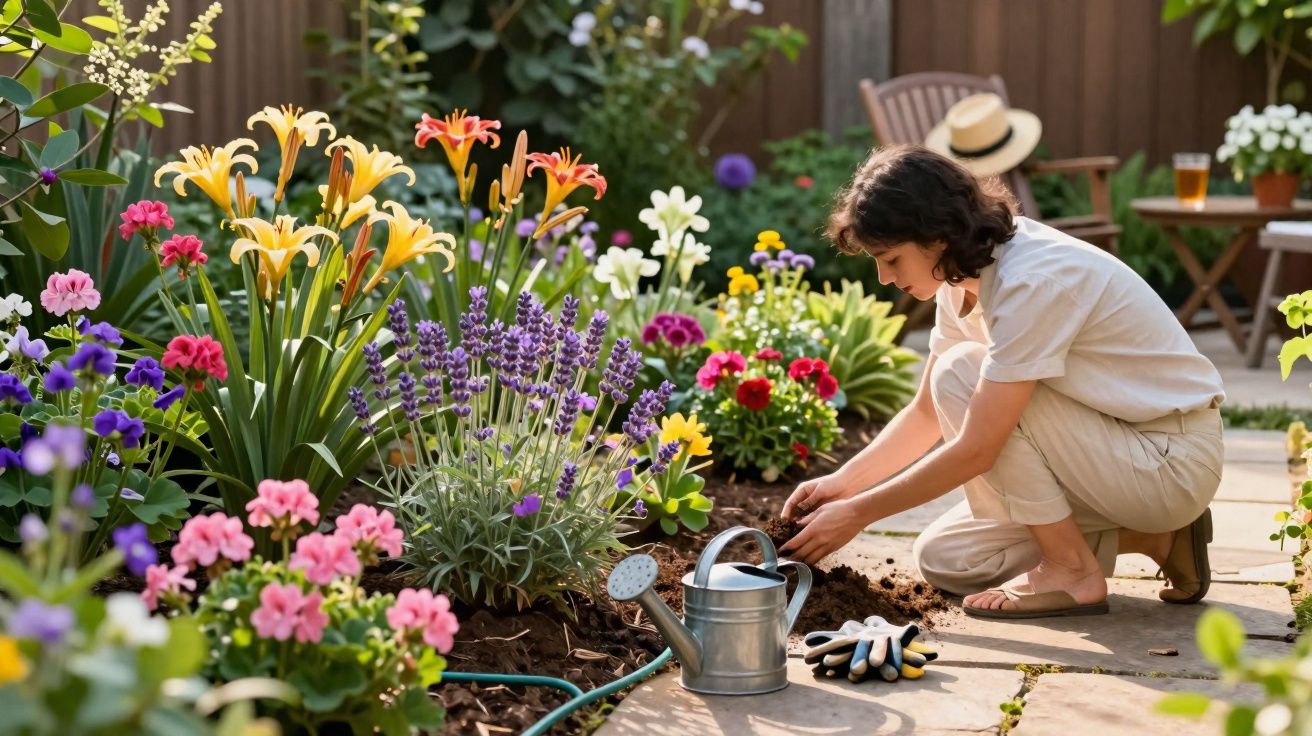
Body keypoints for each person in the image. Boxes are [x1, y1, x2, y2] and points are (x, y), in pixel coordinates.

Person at [778, 143, 1225, 619]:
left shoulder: (1032, 279)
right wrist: (842, 486)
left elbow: (979, 447)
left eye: (889, 258)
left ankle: (1072, 569)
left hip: (1167, 460)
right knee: (948, 559)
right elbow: (927, 413)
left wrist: (860, 513)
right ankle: (1159, 536)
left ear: (936, 234)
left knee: (963, 373)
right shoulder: (960, 280)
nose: (884, 278)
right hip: (1109, 457)